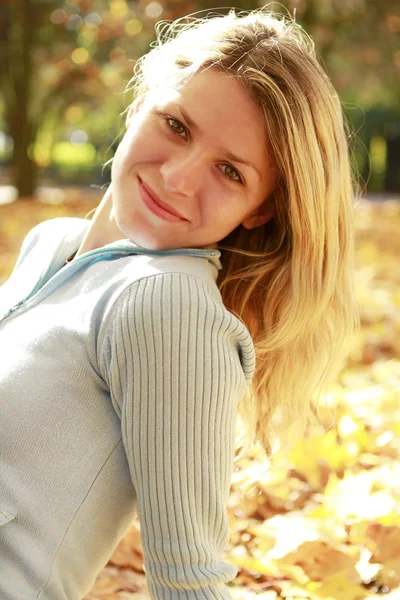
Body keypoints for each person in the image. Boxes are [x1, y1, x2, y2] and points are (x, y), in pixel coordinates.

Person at [0, 6, 360, 600]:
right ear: (141, 102)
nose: (179, 177)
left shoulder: (167, 307)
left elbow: (189, 582)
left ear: (260, 212)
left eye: (230, 171)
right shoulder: (52, 245)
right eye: (177, 126)